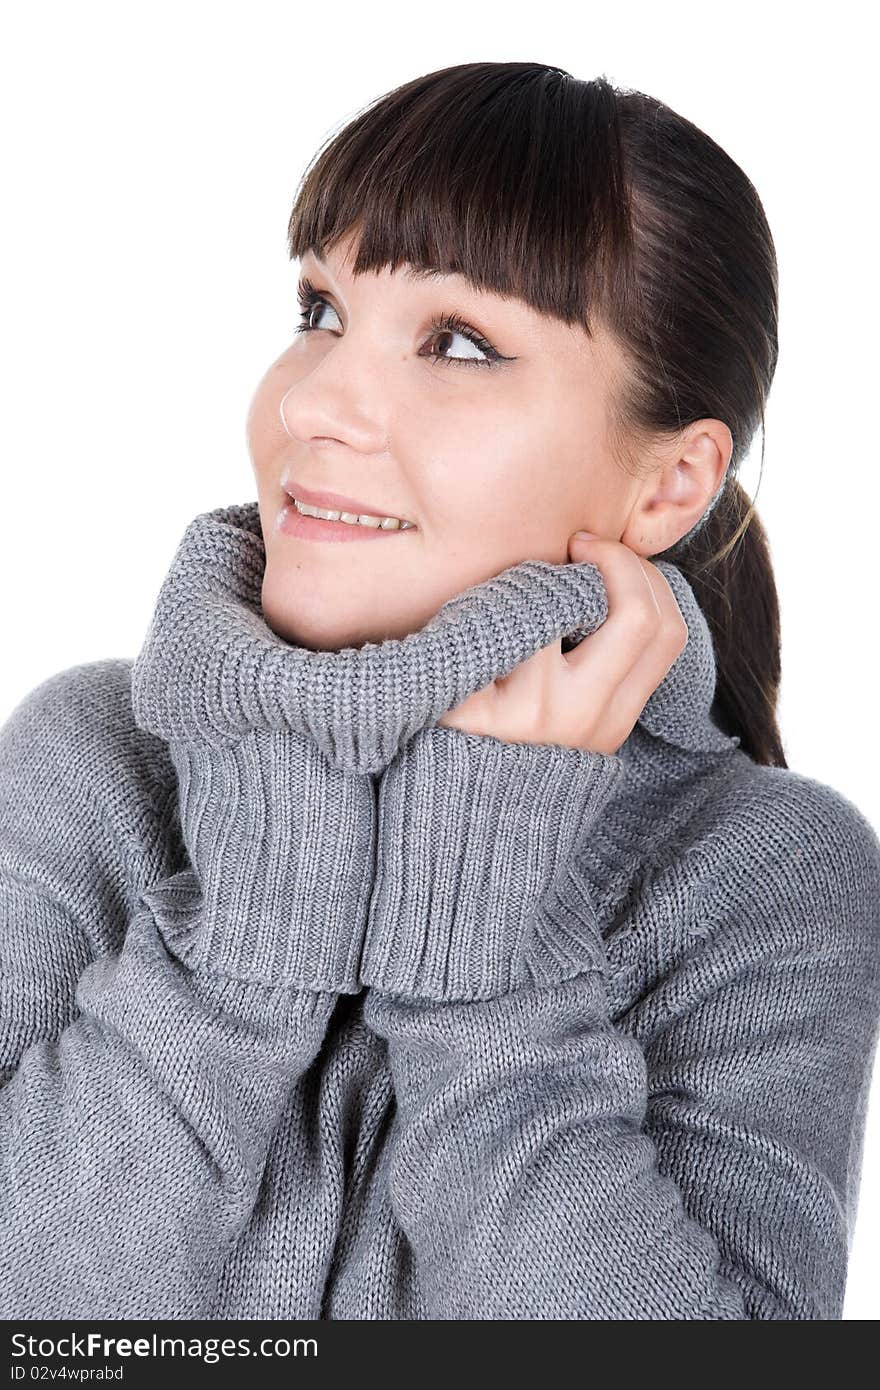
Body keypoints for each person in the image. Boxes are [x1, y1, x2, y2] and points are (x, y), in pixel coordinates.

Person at [2, 61, 879, 1321]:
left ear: (669, 487)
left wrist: (486, 946)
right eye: (317, 309)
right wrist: (252, 926)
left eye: (458, 343)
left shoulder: (763, 871)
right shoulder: (94, 755)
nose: (311, 402)